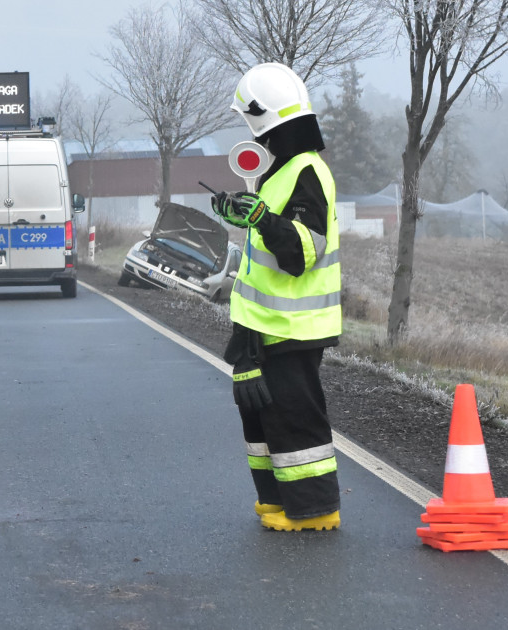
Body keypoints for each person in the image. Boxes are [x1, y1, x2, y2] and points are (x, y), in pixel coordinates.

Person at [209, 62, 342, 532]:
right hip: (265, 325)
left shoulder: (306, 171)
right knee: (262, 418)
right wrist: (243, 213)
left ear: (264, 120)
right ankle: (278, 502)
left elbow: (303, 250)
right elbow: (269, 236)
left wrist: (261, 217)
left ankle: (314, 509)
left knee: (293, 419)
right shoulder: (281, 171)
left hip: (293, 327)